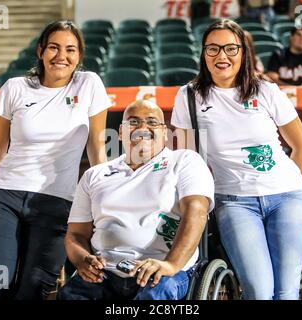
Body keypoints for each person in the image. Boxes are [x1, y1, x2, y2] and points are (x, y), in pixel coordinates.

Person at [0, 20, 111, 300]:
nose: (61, 56)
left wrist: (100, 208)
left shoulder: (89, 85)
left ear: (79, 56)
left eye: (70, 49)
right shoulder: (14, 88)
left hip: (57, 205)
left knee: (33, 292)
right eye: (53, 47)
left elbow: (97, 150)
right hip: (3, 200)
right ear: (40, 50)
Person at [171, 19, 302, 300]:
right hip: (235, 203)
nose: (222, 56)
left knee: (286, 292)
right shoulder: (189, 96)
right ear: (203, 54)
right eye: (213, 49)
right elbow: (187, 159)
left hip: (286, 198)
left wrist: (284, 183)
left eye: (230, 48)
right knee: (259, 292)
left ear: (243, 52)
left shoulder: (266, 90)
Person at [56, 100, 214, 300]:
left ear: (165, 132)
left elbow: (197, 213)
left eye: (152, 122)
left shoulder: (184, 161)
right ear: (121, 131)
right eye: (134, 122)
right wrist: (83, 260)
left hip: (161, 271)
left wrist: (171, 264)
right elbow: (75, 235)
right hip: (104, 272)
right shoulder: (94, 175)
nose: (142, 128)